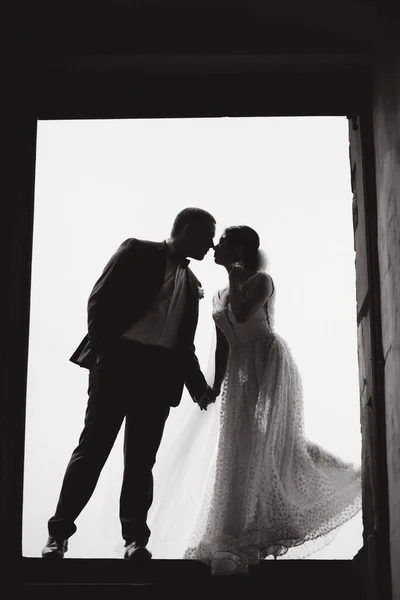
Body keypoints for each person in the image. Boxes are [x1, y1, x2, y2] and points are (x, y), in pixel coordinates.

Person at [143, 225, 362, 574]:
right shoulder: (216, 294)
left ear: (241, 248)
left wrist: (234, 277)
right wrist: (214, 386)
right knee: (238, 448)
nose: (216, 245)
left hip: (268, 361)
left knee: (275, 441)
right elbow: (224, 344)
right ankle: (240, 539)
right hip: (238, 373)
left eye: (225, 241)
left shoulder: (261, 281)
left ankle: (346, 481)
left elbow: (244, 315)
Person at [41, 207, 217, 561]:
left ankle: (135, 541)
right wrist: (105, 355)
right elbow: (99, 300)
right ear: (187, 229)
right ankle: (57, 535)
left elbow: (184, 346)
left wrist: (199, 389)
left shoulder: (193, 283)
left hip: (158, 377)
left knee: (141, 463)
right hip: (117, 366)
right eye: (207, 236)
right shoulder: (136, 250)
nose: (212, 245)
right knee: (92, 451)